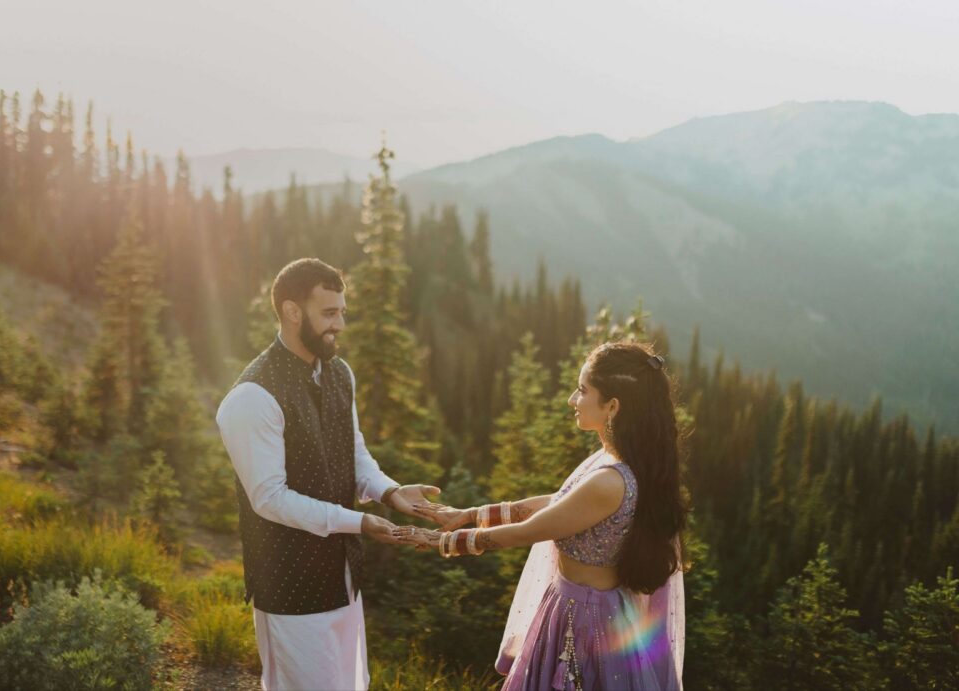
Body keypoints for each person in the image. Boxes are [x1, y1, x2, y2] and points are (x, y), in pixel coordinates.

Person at [399, 341, 687, 690]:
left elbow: (528, 531)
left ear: (612, 406)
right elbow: (559, 502)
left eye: (582, 391)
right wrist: (469, 514)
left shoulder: (610, 481)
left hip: (587, 622)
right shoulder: (614, 463)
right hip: (577, 608)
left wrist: (441, 542)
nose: (572, 400)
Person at [216, 258, 441, 690]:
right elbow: (269, 498)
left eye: (342, 312)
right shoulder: (252, 396)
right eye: (329, 313)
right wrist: (358, 522)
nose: (339, 324)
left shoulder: (340, 374)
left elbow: (354, 456)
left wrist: (390, 492)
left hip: (343, 580)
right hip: (289, 587)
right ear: (291, 311)